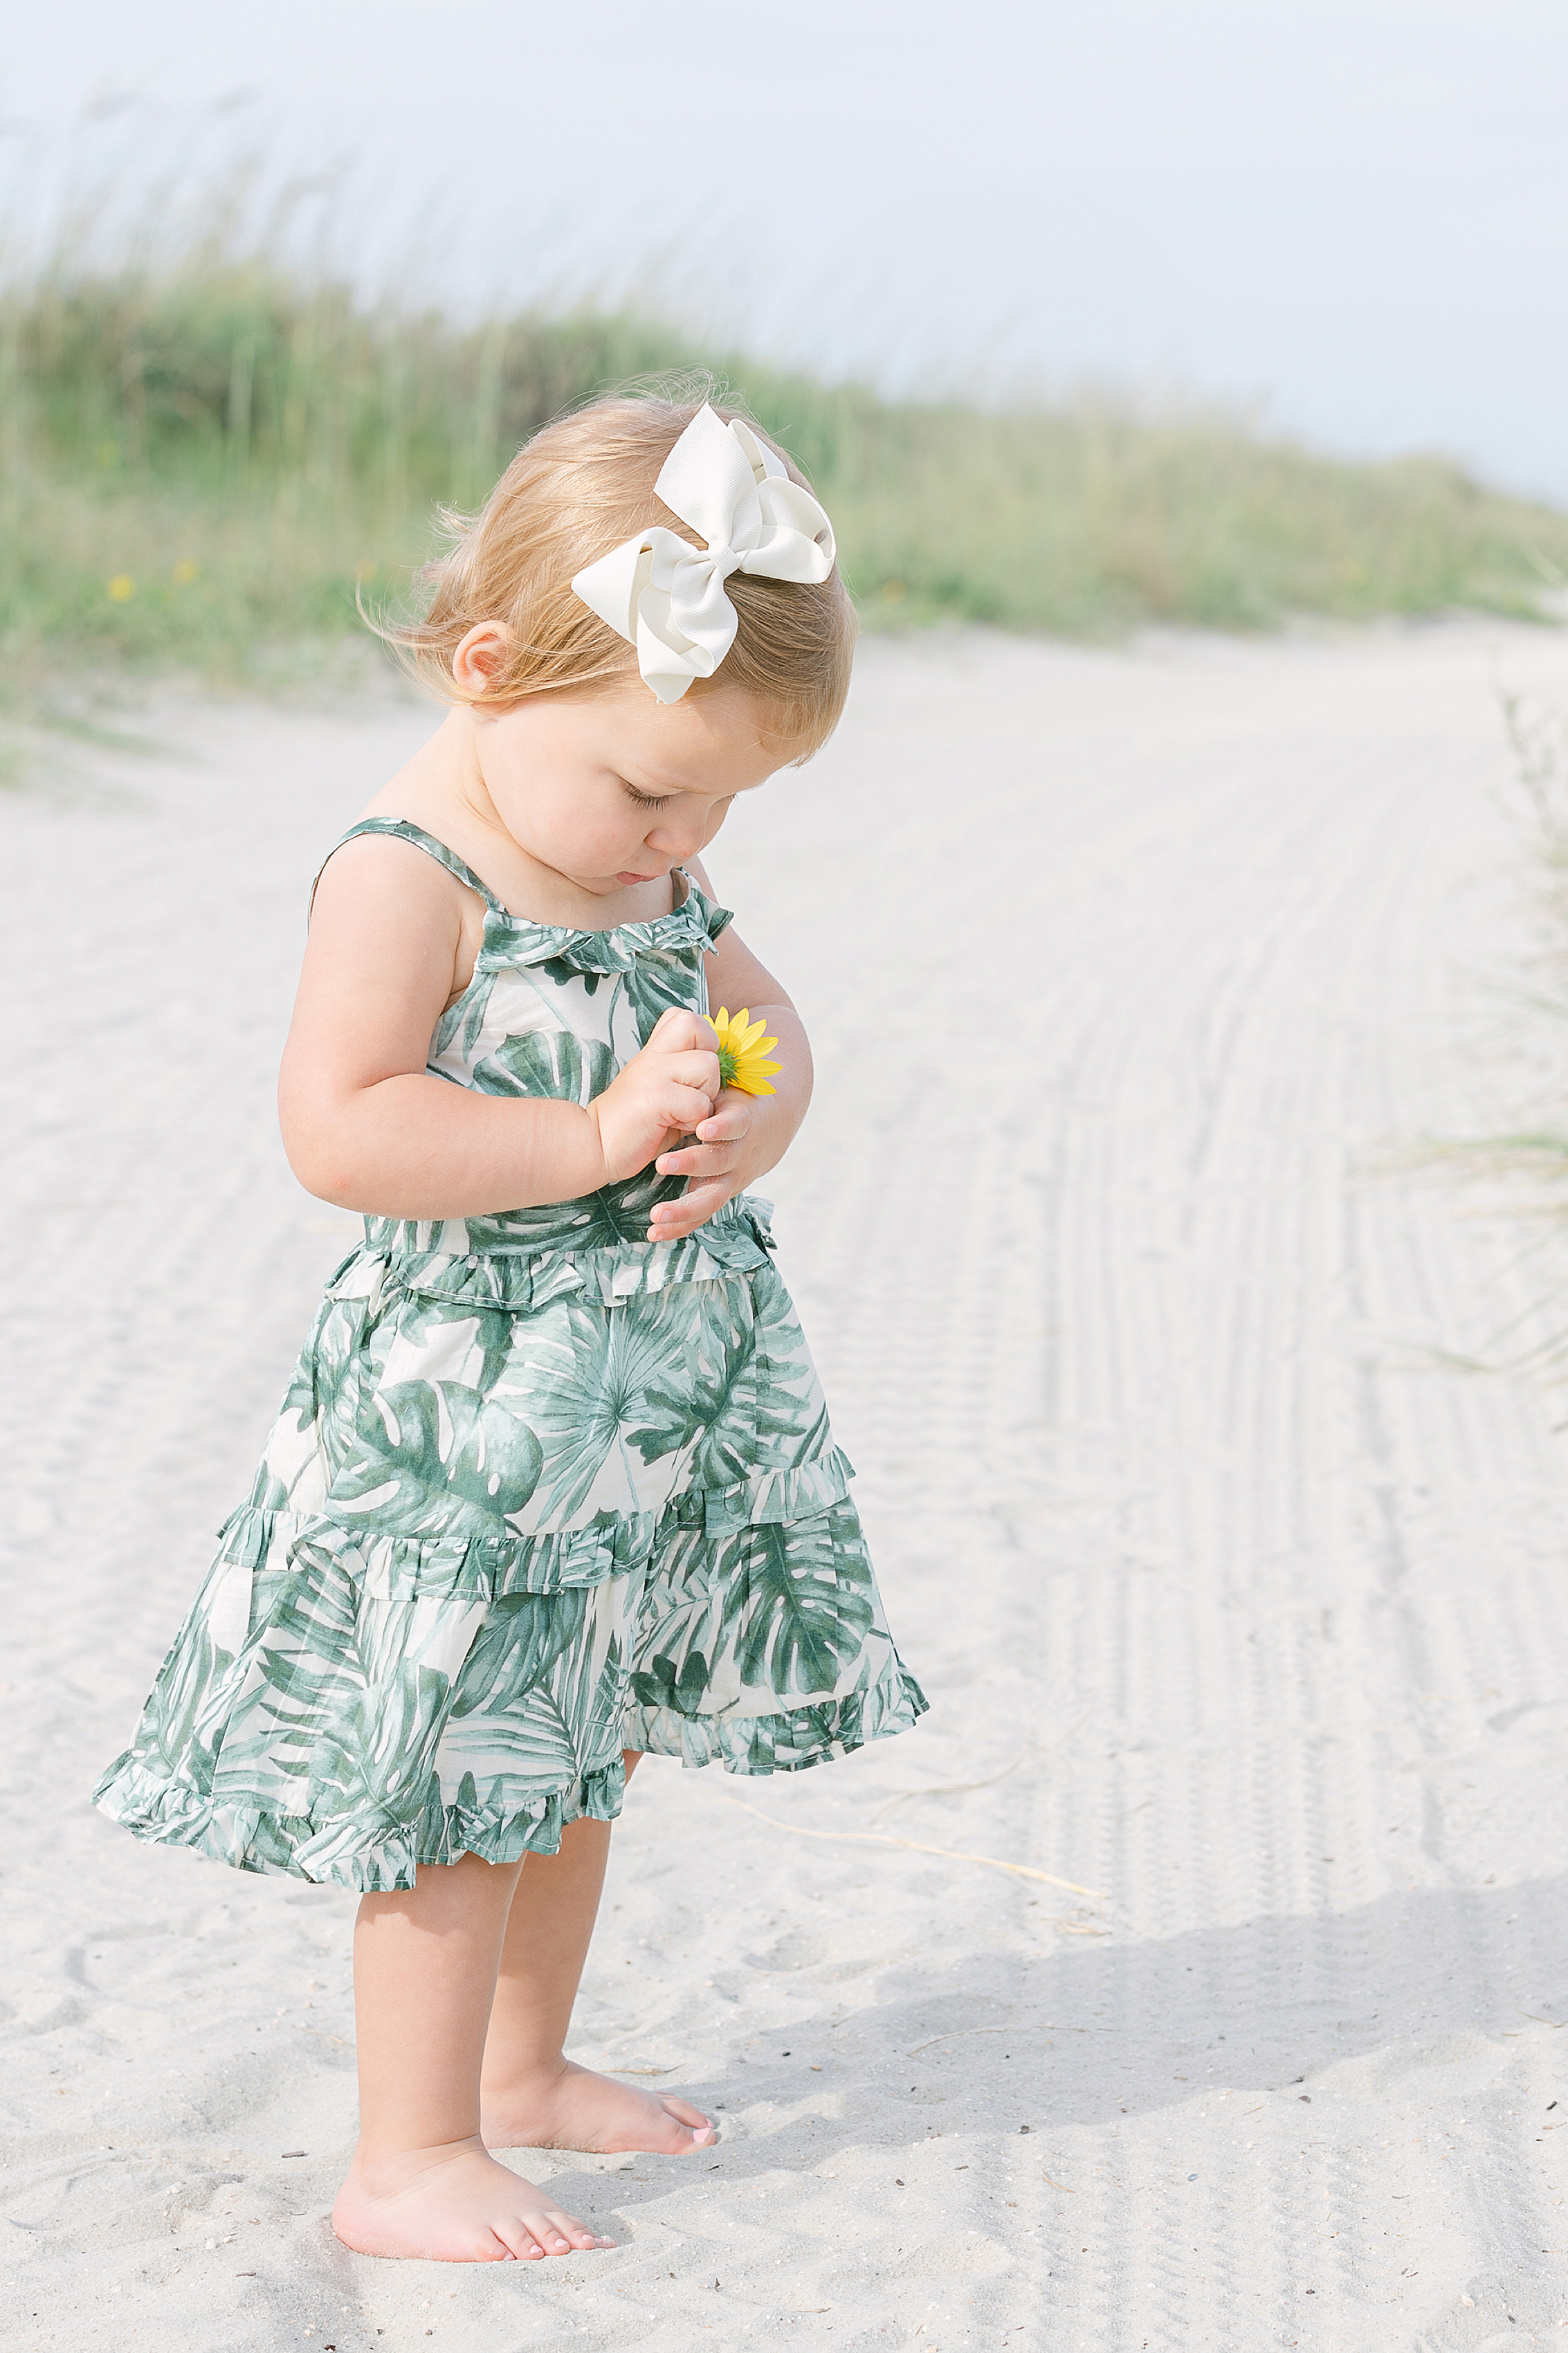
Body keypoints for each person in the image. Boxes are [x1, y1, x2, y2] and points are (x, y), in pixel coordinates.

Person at [93, 393, 927, 2264]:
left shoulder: (651, 862)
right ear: (491, 670)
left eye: (723, 804)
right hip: (465, 1428)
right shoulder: (411, 870)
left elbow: (762, 1018)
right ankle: (404, 2153)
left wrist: (744, 1114)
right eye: (650, 791)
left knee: (578, 1751)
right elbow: (344, 1125)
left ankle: (526, 2072)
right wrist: (583, 1137)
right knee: (454, 1781)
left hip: (635, 1413)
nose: (684, 839)